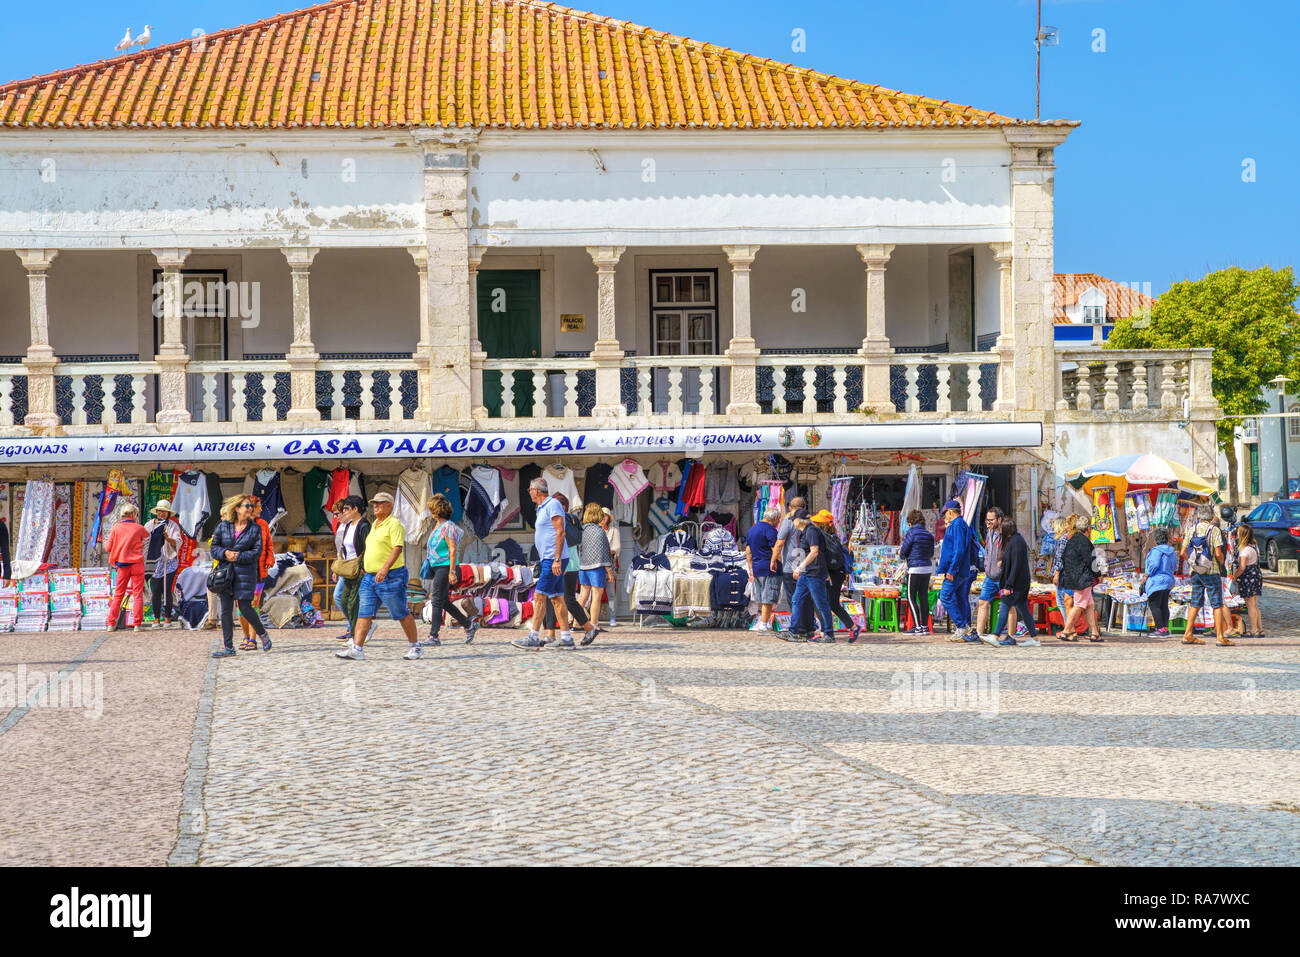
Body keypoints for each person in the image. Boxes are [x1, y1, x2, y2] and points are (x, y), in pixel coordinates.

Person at [336, 492, 420, 661]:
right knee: (364, 612)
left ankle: (415, 646)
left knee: (400, 612)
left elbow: (397, 548)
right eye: (374, 503)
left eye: (380, 503)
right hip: (370, 577)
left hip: (391, 576)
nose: (375, 506)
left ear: (389, 505)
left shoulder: (394, 524)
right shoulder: (374, 524)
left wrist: (384, 568)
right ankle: (357, 648)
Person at [513, 478, 574, 650]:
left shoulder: (552, 503)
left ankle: (533, 636)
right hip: (549, 558)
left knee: (539, 596)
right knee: (556, 598)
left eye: (530, 489)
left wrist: (556, 559)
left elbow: (560, 531)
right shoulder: (542, 508)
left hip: (553, 559)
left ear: (537, 491)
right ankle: (566, 637)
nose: (529, 491)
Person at [210, 494, 271, 657]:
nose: (250, 509)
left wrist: (238, 556)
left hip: (245, 573)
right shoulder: (224, 526)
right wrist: (225, 553)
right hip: (226, 573)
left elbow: (257, 552)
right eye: (247, 506)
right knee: (226, 610)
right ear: (237, 508)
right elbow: (214, 547)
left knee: (245, 607)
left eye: (251, 506)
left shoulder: (255, 528)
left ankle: (262, 633)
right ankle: (228, 647)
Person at [421, 493, 478, 648]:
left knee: (437, 600)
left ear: (435, 510)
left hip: (446, 567)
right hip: (438, 567)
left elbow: (453, 550)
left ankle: (434, 636)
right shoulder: (437, 526)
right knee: (444, 601)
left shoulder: (448, 527)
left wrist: (452, 571)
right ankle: (468, 624)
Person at [1181, 504, 1231, 647]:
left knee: (1195, 602)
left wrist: (1192, 563)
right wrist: (1221, 563)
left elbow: (1183, 552)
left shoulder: (1191, 529)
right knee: (1217, 604)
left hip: (1196, 572)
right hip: (1211, 571)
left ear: (1198, 516)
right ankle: (1220, 637)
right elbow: (1218, 553)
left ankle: (1188, 634)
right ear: (1210, 517)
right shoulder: (1214, 530)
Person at [786, 508, 835, 642]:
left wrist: (800, 568)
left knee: (821, 603)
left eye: (794, 520)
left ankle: (829, 634)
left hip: (815, 573)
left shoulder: (812, 531)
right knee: (796, 599)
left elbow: (814, 552)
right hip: (807, 573)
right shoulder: (805, 532)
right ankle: (793, 632)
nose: (793, 522)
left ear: (799, 520)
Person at [990, 517, 1038, 646]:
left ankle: (995, 636)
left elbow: (1015, 565)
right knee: (1023, 608)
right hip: (1020, 582)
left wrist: (1008, 585)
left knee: (1005, 605)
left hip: (1016, 584)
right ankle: (1034, 638)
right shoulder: (1016, 540)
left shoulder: (1016, 542)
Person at [813, 510, 859, 642]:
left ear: (822, 524)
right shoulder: (833, 537)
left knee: (827, 603)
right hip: (837, 574)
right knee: (831, 603)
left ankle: (827, 632)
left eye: (817, 522)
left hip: (832, 575)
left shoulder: (825, 537)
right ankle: (852, 627)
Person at [1057, 514, 1104, 642]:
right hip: (1082, 579)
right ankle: (1066, 631)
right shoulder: (1085, 542)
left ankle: (1095, 633)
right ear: (1088, 529)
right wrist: (1098, 575)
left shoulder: (1071, 540)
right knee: (1079, 605)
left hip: (1072, 577)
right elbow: (1091, 561)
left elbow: (1063, 558)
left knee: (1089, 605)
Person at [936, 499, 978, 642]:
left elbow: (959, 550)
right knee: (960, 599)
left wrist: (952, 570)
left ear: (950, 512)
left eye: (945, 514)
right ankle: (965, 627)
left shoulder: (957, 525)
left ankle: (961, 626)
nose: (944, 517)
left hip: (956, 571)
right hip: (962, 569)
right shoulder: (961, 525)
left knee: (945, 595)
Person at [105, 503, 151, 633]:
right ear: (133, 514)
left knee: (118, 594)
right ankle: (137, 624)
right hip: (137, 565)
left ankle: (111, 624)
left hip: (122, 565)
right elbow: (147, 540)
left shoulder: (115, 528)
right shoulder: (139, 528)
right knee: (138, 595)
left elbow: (108, 548)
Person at [331, 497, 369, 643]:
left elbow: (367, 547)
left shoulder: (364, 525)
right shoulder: (347, 526)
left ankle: (355, 635)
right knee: (344, 600)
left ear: (355, 509)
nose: (344, 511)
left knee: (353, 602)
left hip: (359, 569)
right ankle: (359, 628)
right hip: (347, 568)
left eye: (347, 509)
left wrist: (364, 568)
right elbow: (343, 548)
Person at [143, 499, 183, 628]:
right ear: (157, 512)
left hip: (169, 561)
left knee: (167, 589)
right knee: (156, 590)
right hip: (154, 563)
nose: (162, 514)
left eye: (164, 512)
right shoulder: (149, 525)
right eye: (160, 511)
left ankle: (167, 618)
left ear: (168, 513)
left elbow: (177, 542)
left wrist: (167, 537)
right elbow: (143, 540)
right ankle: (156, 619)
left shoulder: (173, 526)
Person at [578, 502, 615, 632]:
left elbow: (580, 548)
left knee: (582, 596)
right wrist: (609, 571)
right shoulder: (600, 532)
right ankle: (593, 625)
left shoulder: (583, 529)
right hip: (597, 567)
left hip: (583, 566)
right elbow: (604, 553)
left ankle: (576, 623)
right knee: (596, 597)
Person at [771, 496, 808, 626]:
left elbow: (780, 543)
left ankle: (797, 626)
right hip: (807, 566)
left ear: (790, 508)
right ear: (804, 508)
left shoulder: (788, 521)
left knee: (793, 598)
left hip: (790, 566)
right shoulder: (810, 522)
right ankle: (807, 625)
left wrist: (773, 560)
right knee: (806, 598)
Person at [898, 509, 935, 635]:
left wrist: (903, 556)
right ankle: (925, 627)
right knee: (923, 597)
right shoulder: (929, 535)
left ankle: (917, 627)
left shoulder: (912, 533)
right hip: (927, 568)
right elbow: (931, 553)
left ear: (910, 522)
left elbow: (904, 551)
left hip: (915, 568)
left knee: (911, 597)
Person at [745, 506, 782, 631]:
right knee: (768, 597)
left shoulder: (753, 529)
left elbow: (748, 551)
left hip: (757, 567)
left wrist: (750, 568)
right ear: (775, 518)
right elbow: (775, 549)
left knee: (761, 597)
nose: (778, 522)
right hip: (769, 568)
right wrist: (780, 562)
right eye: (779, 519)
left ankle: (761, 621)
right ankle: (764, 624)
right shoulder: (771, 530)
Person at [1140, 526, 1178, 637]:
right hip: (1168, 580)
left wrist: (1147, 574)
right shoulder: (1171, 551)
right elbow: (1174, 566)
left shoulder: (1156, 551)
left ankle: (1160, 629)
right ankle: (1165, 629)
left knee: (1154, 605)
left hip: (1156, 581)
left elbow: (1154, 565)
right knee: (1163, 605)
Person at [975, 506, 1005, 637]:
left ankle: (1010, 634)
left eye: (991, 520)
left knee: (1009, 605)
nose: (988, 522)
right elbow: (987, 551)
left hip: (1003, 577)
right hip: (990, 577)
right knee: (982, 601)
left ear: (999, 519)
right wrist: (986, 567)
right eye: (987, 520)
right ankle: (979, 633)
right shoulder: (989, 533)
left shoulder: (1006, 534)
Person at [1232, 524, 1264, 639]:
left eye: (1238, 533)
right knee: (1254, 604)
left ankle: (1253, 630)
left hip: (1248, 578)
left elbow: (1242, 567)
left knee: (1250, 604)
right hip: (1256, 575)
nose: (1237, 534)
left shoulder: (1244, 550)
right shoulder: (1254, 546)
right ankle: (1260, 629)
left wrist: (1235, 577)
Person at [1050, 516, 1074, 631]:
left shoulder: (1063, 539)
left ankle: (1068, 628)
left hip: (1063, 574)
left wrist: (1056, 573)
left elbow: (1060, 557)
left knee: (1062, 601)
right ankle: (1069, 628)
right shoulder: (1069, 538)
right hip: (1069, 573)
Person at [599, 507, 620, 627]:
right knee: (596, 591)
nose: (603, 518)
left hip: (610, 564)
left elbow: (616, 548)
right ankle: (594, 618)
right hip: (597, 564)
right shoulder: (595, 530)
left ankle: (612, 617)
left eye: (605, 515)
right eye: (602, 515)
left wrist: (604, 551)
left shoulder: (614, 531)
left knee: (611, 592)